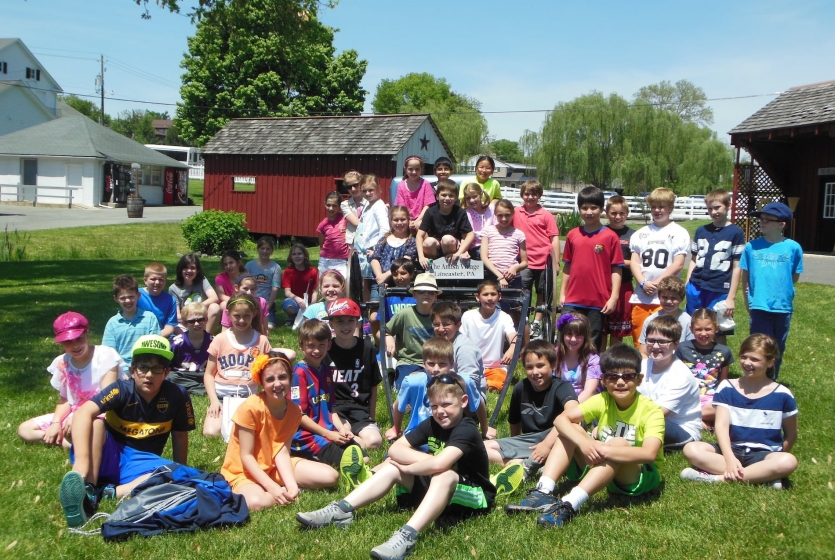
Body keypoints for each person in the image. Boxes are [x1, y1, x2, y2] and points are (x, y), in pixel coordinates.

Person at [296, 372, 497, 560]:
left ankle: (407, 536)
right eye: (434, 406)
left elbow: (440, 463)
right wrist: (421, 463)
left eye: (446, 404)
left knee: (445, 474)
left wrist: (410, 468)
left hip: (475, 498)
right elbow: (395, 449)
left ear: (464, 401)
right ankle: (341, 509)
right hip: (441, 491)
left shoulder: (466, 429)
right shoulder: (432, 423)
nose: (440, 411)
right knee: (393, 466)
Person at [505, 345, 664, 529]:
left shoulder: (651, 411)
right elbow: (560, 420)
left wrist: (603, 449)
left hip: (637, 476)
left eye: (628, 376)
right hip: (603, 467)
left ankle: (569, 503)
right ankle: (543, 491)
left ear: (639, 379)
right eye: (613, 377)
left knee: (618, 442)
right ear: (604, 380)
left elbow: (649, 454)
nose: (620, 382)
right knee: (571, 428)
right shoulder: (603, 399)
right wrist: (585, 443)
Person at [58, 335, 195, 528]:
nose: (149, 375)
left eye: (157, 368)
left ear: (166, 372)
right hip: (108, 456)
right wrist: (81, 464)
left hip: (141, 463)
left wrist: (180, 469)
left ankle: (110, 492)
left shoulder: (178, 395)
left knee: (175, 473)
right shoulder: (120, 389)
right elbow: (82, 413)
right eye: (143, 367)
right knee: (96, 424)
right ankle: (87, 487)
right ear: (132, 371)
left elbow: (180, 436)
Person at [681, 334, 797, 489]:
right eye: (744, 357)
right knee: (691, 449)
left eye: (755, 359)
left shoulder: (782, 394)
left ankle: (717, 478)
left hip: (764, 454)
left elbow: (791, 434)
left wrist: (779, 456)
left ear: (770, 362)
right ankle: (763, 475)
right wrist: (729, 458)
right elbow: (721, 426)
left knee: (788, 461)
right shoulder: (727, 387)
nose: (747, 363)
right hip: (731, 449)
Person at [220, 351, 329, 509]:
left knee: (330, 476)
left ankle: (285, 490)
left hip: (273, 468)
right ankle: (274, 493)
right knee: (256, 502)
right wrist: (272, 488)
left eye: (282, 377)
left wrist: (292, 486)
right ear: (261, 383)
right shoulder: (250, 408)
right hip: (243, 472)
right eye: (270, 379)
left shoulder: (295, 411)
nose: (277, 384)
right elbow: (246, 456)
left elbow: (282, 451)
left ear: (291, 378)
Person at [18, 312, 121, 448]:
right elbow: (66, 399)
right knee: (25, 430)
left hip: (103, 413)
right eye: (68, 341)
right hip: (75, 412)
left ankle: (79, 442)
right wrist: (56, 423)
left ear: (87, 334)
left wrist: (80, 416)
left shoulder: (105, 355)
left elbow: (109, 397)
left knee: (90, 429)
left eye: (79, 339)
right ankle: (68, 440)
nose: (75, 346)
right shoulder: (63, 362)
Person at [289, 319, 371, 491]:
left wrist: (341, 429)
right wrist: (328, 434)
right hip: (308, 438)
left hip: (329, 433)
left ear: (328, 345)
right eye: (311, 346)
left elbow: (331, 407)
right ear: (301, 346)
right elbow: (298, 416)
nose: (316, 350)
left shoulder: (326, 370)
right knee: (353, 463)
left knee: (364, 458)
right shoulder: (299, 373)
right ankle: (306, 460)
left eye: (321, 345)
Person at [484, 340, 578, 481]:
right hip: (530, 440)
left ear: (553, 365)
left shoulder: (562, 387)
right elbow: (514, 422)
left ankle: (541, 464)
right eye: (529, 367)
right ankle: (522, 465)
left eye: (540, 366)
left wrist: (546, 445)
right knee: (482, 447)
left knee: (572, 427)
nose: (535, 372)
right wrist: (515, 447)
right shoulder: (520, 388)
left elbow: (573, 411)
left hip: (556, 438)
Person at [740, 201, 803, 380]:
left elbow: (794, 276)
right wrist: (747, 300)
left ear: (782, 224)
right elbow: (746, 275)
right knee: (759, 346)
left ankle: (771, 380)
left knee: (777, 347)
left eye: (768, 219)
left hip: (782, 306)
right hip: (759, 304)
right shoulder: (752, 246)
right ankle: (756, 379)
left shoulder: (793, 247)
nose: (762, 222)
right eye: (761, 219)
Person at [385, 337, 490, 442]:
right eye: (431, 364)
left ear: (451, 363)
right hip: (418, 434)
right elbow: (398, 405)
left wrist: (485, 428)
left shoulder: (463, 381)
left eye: (442, 364)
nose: (436, 369)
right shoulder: (412, 382)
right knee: (394, 452)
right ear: (424, 364)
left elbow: (478, 402)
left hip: (453, 434)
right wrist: (396, 429)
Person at [559, 186, 624, 351]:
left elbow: (616, 269)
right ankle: (564, 367)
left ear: (602, 209)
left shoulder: (610, 236)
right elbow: (567, 266)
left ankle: (589, 368)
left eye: (593, 207)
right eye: (584, 208)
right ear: (579, 209)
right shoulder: (573, 234)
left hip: (598, 300)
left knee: (592, 341)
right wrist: (562, 293)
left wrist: (614, 297)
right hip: (572, 299)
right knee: (566, 337)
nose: (589, 212)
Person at [203, 293, 272, 437]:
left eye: (246, 316)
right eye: (236, 316)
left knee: (256, 432)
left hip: (249, 396)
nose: (241, 320)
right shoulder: (220, 339)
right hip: (222, 396)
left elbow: (268, 374)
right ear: (228, 314)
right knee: (211, 432)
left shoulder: (262, 341)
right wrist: (214, 401)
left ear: (254, 313)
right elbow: (209, 374)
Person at [684, 189, 746, 345]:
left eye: (717, 207)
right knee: (693, 326)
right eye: (710, 208)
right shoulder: (701, 230)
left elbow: (737, 267)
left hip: (719, 287)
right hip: (696, 285)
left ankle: (719, 360)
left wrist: (731, 297)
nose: (714, 212)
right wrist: (687, 284)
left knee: (718, 328)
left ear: (728, 206)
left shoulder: (736, 232)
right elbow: (694, 259)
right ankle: (693, 357)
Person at [629, 188, 690, 344]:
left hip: (665, 297)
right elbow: (634, 262)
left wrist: (657, 284)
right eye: (654, 207)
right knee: (641, 341)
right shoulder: (640, 233)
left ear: (670, 208)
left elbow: (678, 263)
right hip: (642, 296)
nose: (657, 210)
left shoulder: (679, 232)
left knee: (664, 339)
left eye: (662, 206)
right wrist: (643, 283)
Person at [327, 298, 384, 450]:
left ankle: (356, 444)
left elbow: (373, 385)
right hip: (335, 410)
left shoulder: (367, 347)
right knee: (343, 434)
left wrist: (372, 417)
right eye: (339, 321)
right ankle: (354, 443)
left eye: (350, 321)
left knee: (375, 441)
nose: (345, 326)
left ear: (357, 322)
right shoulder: (326, 350)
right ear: (331, 323)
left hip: (360, 409)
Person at [639, 315, 701, 451]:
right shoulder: (642, 365)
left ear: (676, 344)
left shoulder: (681, 375)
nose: (655, 346)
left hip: (679, 428)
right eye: (651, 340)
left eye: (662, 342)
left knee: (641, 425)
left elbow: (659, 413)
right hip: (648, 417)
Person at [514, 180, 560, 340]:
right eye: (527, 194)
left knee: (542, 293)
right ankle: (524, 320)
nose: (530, 197)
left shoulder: (546, 215)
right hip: (524, 261)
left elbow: (554, 238)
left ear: (539, 195)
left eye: (534, 194)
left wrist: (556, 262)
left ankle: (537, 323)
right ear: (522, 195)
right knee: (523, 292)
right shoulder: (516, 212)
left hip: (543, 260)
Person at [675, 308, 733, 428]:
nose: (703, 333)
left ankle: (688, 418)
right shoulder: (682, 348)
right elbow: (676, 375)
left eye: (708, 329)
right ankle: (704, 422)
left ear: (717, 329)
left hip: (711, 399)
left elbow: (723, 382)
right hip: (687, 396)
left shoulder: (724, 351)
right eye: (698, 329)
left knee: (726, 409)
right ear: (691, 329)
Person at [460, 279, 520, 393]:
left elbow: (512, 335)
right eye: (485, 294)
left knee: (494, 387)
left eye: (493, 294)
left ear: (499, 296)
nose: (490, 298)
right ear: (477, 297)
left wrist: (512, 348)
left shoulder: (504, 317)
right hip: (472, 365)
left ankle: (487, 383)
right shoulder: (468, 316)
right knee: (465, 384)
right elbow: (461, 340)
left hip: (495, 367)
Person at [385, 272, 438, 390]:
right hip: (408, 361)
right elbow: (385, 330)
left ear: (436, 296)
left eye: (431, 292)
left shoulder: (439, 316)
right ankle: (393, 376)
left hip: (435, 362)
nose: (426, 294)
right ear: (414, 294)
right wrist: (389, 338)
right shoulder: (404, 314)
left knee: (435, 389)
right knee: (406, 387)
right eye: (422, 291)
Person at [103, 274, 161, 374]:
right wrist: (120, 373)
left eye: (131, 296)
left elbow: (155, 348)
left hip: (146, 369)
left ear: (138, 295)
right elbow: (108, 354)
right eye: (123, 298)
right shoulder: (112, 323)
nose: (128, 301)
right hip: (121, 371)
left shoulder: (149, 318)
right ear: (115, 299)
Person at [431, 301, 486, 397]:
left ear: (458, 325)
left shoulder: (465, 349)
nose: (440, 329)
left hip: (467, 397)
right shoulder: (437, 343)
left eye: (446, 324)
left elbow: (469, 383)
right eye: (436, 324)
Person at [601, 195, 636, 350]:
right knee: (600, 327)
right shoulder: (601, 232)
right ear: (606, 213)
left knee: (617, 330)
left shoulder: (633, 235)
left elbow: (637, 263)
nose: (618, 217)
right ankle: (599, 359)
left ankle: (614, 360)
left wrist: (618, 261)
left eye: (622, 213)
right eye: (613, 213)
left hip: (624, 286)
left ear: (627, 213)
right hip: (602, 285)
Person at [416, 179, 474, 269]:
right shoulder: (430, 212)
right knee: (428, 242)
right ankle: (434, 266)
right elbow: (420, 235)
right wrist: (421, 257)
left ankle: (450, 265)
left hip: (452, 246)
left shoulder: (460, 212)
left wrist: (459, 253)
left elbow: (470, 234)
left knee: (447, 239)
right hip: (435, 246)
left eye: (451, 196)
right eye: (443, 195)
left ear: (456, 197)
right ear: (437, 196)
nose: (447, 198)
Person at [637, 276, 694, 358]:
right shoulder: (650, 320)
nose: (668, 301)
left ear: (681, 299)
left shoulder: (688, 321)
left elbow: (690, 352)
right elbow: (643, 352)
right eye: (664, 297)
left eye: (673, 298)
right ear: (659, 297)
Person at [355, 174, 391, 302]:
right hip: (364, 254)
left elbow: (385, 229)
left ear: (378, 189)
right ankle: (365, 309)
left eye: (371, 190)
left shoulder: (379, 206)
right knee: (365, 283)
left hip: (373, 253)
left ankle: (373, 308)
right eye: (364, 191)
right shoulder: (368, 205)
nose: (367, 193)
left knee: (372, 284)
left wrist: (376, 249)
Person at [554, 313, 602, 403]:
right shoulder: (554, 355)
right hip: (560, 401)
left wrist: (571, 408)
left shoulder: (593, 359)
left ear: (585, 337)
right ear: (563, 335)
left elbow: (589, 391)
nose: (573, 339)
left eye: (578, 335)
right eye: (569, 334)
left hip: (585, 403)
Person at [168, 302, 213, 395]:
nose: (196, 324)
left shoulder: (213, 341)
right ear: (184, 323)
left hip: (205, 374)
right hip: (183, 375)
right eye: (191, 321)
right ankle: (203, 388)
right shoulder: (177, 343)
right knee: (170, 377)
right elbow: (168, 366)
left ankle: (195, 388)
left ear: (206, 320)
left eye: (200, 320)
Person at [481, 198, 527, 290]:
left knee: (515, 299)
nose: (504, 219)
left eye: (507, 215)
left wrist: (515, 268)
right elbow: (484, 257)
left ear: (513, 213)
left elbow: (525, 262)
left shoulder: (519, 234)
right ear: (495, 214)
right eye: (500, 215)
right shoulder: (487, 231)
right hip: (493, 276)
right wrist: (500, 276)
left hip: (513, 278)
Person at [169, 253, 221, 332]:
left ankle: (207, 336)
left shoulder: (202, 281)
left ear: (197, 270)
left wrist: (197, 308)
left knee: (215, 307)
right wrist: (190, 317)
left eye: (192, 268)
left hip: (202, 318)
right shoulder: (173, 288)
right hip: (186, 321)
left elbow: (214, 298)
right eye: (185, 267)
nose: (189, 270)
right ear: (181, 269)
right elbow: (177, 314)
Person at [371, 257, 417, 343]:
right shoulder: (388, 296)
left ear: (411, 274)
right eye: (395, 274)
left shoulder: (417, 295)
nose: (399, 277)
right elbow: (382, 324)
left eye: (403, 273)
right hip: (393, 336)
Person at [370, 205, 418, 288]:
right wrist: (380, 277)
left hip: (401, 283)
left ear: (408, 220)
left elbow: (405, 261)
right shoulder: (383, 240)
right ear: (390, 221)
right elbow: (375, 259)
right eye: (396, 220)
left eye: (403, 219)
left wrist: (385, 275)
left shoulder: (412, 241)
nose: (399, 223)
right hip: (380, 282)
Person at [246, 235, 282, 330]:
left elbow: (275, 288)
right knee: (248, 324)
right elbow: (244, 285)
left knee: (269, 326)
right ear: (258, 249)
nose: (265, 251)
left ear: (272, 251)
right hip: (251, 301)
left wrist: (267, 307)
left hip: (267, 303)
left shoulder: (276, 268)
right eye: (262, 248)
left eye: (268, 249)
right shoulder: (249, 265)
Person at [394, 155, 436, 232]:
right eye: (410, 169)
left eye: (417, 169)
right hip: (405, 218)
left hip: (422, 218)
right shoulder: (401, 185)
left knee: (419, 225)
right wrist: (408, 220)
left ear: (421, 169)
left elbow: (427, 206)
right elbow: (401, 207)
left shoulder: (425, 184)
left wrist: (417, 221)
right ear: (405, 169)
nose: (414, 172)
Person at [281, 243, 319, 327]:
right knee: (289, 306)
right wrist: (297, 299)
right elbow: (287, 292)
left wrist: (312, 306)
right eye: (294, 254)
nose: (297, 256)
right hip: (294, 301)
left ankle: (304, 317)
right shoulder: (288, 272)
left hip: (308, 302)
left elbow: (315, 291)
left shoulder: (313, 271)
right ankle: (292, 317)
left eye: (299, 253)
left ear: (305, 255)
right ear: (291, 257)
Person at [138, 262, 179, 338]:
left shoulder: (170, 300)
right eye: (153, 279)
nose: (157, 282)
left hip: (160, 336)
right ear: (145, 280)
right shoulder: (137, 295)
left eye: (161, 279)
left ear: (165, 281)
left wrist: (152, 338)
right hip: (138, 334)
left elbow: (169, 327)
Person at [317, 191, 350, 278]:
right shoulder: (322, 224)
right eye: (328, 205)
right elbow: (322, 244)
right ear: (325, 204)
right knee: (323, 283)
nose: (331, 208)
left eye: (334, 206)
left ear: (339, 206)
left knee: (343, 283)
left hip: (342, 260)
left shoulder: (345, 219)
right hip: (326, 260)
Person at [462, 182, 496, 258]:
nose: (471, 200)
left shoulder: (491, 209)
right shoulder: (466, 213)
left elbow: (497, 228)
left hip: (492, 245)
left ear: (481, 194)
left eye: (474, 196)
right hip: (475, 247)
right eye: (468, 198)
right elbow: (464, 235)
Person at [340, 170, 366, 252]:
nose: (353, 189)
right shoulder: (345, 205)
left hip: (369, 241)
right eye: (349, 187)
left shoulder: (371, 202)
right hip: (353, 244)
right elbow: (356, 223)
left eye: (356, 185)